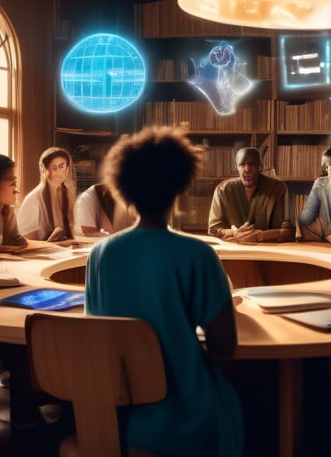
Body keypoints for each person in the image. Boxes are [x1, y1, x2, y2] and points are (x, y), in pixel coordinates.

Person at [85, 126, 242, 457]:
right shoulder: (196, 254)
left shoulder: (99, 254)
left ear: (123, 190)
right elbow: (224, 345)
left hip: (114, 416)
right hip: (186, 415)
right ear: (180, 188)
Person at [208, 147, 294, 243]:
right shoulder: (223, 190)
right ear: (236, 167)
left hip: (269, 251)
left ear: (260, 166)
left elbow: (289, 232)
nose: (247, 169)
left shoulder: (278, 188)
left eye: (252, 164)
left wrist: (260, 236)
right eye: (242, 164)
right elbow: (213, 229)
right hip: (233, 248)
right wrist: (235, 233)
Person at [18, 147, 75, 242]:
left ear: (67, 169)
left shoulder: (65, 193)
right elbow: (27, 240)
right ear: (44, 170)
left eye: (61, 166)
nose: (58, 172)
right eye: (54, 167)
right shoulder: (34, 199)